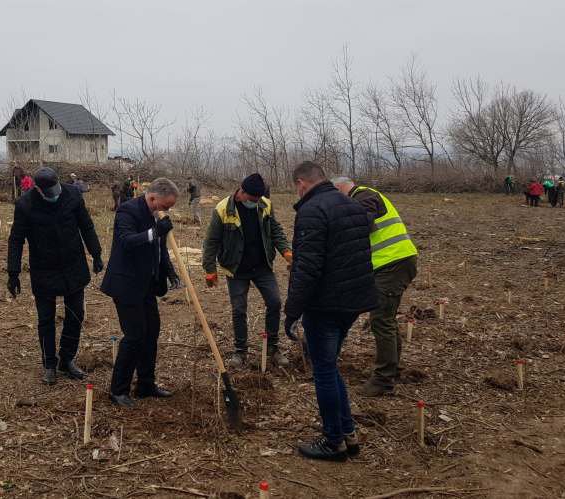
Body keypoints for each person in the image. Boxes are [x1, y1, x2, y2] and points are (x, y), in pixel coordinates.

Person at [284, 161, 377, 461]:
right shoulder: (350, 204)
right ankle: (347, 432)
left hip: (325, 304)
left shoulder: (312, 211)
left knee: (323, 369)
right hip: (353, 302)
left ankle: (333, 441)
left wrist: (292, 310)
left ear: (301, 182)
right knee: (329, 364)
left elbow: (307, 268)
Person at [7, 167, 104, 385]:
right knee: (46, 319)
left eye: (56, 189)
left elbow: (86, 226)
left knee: (76, 313)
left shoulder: (73, 195)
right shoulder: (25, 205)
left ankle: (67, 359)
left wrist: (96, 253)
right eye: (49, 192)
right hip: (44, 268)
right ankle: (49, 364)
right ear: (38, 189)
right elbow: (16, 240)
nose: (55, 194)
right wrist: (13, 273)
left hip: (73, 265)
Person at [332, 177, 418, 396]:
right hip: (390, 264)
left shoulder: (365, 195)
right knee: (385, 317)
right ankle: (394, 368)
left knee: (380, 319)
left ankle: (383, 379)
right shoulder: (360, 198)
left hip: (393, 263)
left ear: (340, 188)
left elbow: (362, 223)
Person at [101, 178, 182, 408]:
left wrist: (170, 273)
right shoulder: (128, 211)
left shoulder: (158, 216)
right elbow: (127, 242)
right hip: (126, 285)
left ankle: (145, 384)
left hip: (147, 284)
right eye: (166, 206)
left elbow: (159, 249)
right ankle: (118, 390)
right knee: (135, 335)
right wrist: (155, 232)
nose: (167, 211)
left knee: (151, 332)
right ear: (153, 198)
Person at [202, 173, 292, 369]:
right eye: (252, 199)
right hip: (236, 268)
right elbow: (211, 241)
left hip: (262, 266)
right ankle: (240, 351)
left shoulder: (265, 204)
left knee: (275, 302)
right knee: (239, 309)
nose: (256, 202)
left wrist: (286, 251)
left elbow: (275, 230)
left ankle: (272, 348)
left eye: (258, 198)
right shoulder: (223, 209)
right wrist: (210, 269)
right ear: (241, 192)